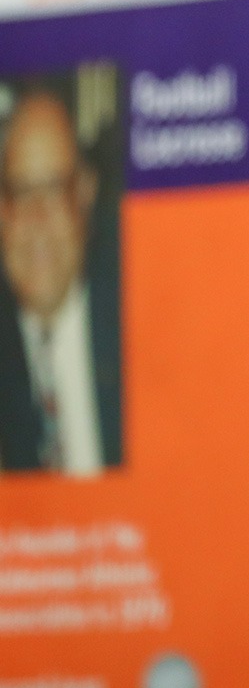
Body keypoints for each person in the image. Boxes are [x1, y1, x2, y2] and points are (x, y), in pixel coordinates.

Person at [0, 87, 122, 475]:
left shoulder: (134, 321)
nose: (36, 219)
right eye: (21, 193)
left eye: (54, 190)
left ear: (85, 194)